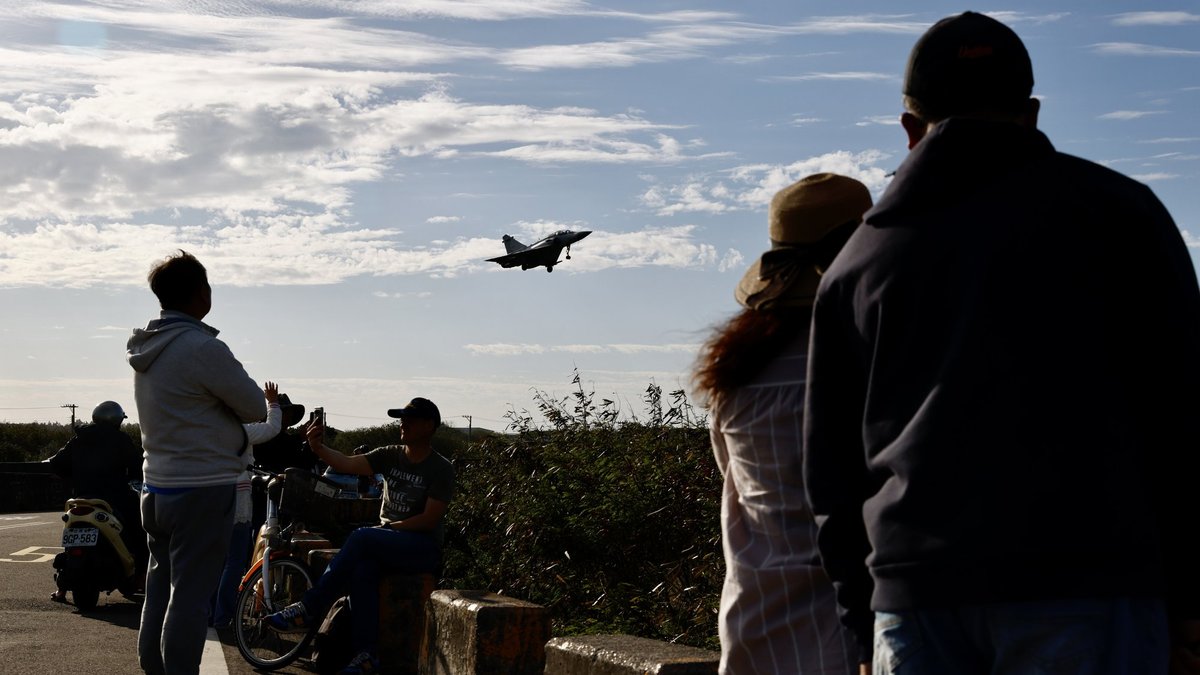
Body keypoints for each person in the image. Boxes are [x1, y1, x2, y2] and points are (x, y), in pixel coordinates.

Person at [802, 12, 1200, 674]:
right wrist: (1188, 598)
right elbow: (1184, 413)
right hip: (1087, 583)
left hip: (913, 599)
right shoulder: (1122, 215)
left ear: (909, 129)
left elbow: (831, 475)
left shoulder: (857, 262)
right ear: (1032, 114)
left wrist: (859, 622)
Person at [694, 174, 871, 675]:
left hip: (757, 625)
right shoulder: (872, 362)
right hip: (853, 639)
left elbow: (731, 483)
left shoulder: (735, 375)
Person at [127, 250, 266, 675]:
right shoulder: (203, 347)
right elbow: (256, 406)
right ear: (199, 294)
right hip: (202, 489)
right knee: (190, 597)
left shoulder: (146, 349)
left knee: (159, 593)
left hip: (156, 487)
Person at [263, 397, 454, 675]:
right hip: (389, 543)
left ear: (429, 426)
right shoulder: (391, 454)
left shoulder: (441, 468)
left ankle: (309, 607)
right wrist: (318, 448)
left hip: (422, 546)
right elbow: (347, 463)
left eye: (410, 419)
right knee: (362, 571)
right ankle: (367, 655)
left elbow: (429, 520)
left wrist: (386, 531)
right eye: (401, 418)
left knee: (362, 538)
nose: (403, 424)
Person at [47, 400, 146, 601]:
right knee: (142, 529)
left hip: (81, 498)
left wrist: (74, 477)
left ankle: (61, 590)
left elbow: (56, 464)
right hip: (114, 499)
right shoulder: (120, 440)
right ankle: (141, 578)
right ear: (117, 420)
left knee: (71, 536)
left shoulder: (78, 438)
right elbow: (138, 467)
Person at [211, 381, 282, 628]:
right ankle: (223, 616)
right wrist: (272, 402)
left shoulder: (208, 430)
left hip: (211, 497)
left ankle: (209, 613)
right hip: (238, 498)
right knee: (235, 561)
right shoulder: (241, 430)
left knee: (215, 560)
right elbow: (272, 427)